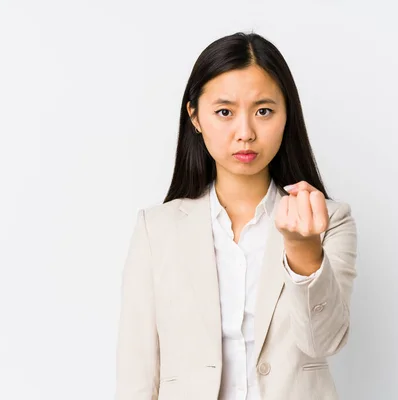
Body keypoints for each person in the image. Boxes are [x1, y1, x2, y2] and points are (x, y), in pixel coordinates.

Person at [115, 31, 358, 400]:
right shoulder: (156, 229)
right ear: (195, 116)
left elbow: (322, 343)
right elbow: (137, 371)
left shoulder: (329, 220)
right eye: (224, 112)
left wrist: (303, 251)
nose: (245, 133)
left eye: (264, 111)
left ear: (286, 114)